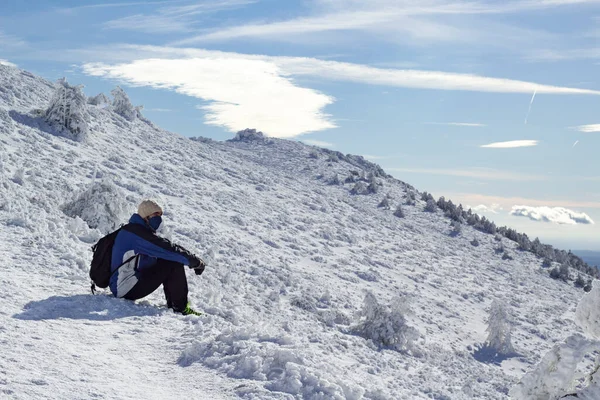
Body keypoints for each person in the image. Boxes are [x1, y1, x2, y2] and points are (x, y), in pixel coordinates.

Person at [109, 200, 205, 316]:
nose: (158, 218)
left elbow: (164, 249)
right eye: (155, 215)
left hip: (124, 283)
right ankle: (180, 308)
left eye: (160, 215)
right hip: (125, 288)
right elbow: (169, 249)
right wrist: (195, 262)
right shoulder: (137, 235)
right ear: (146, 216)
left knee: (168, 261)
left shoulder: (137, 231)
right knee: (173, 262)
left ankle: (175, 305)